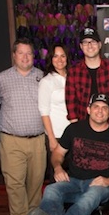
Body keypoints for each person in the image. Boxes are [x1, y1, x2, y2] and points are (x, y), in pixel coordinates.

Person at [0, 38, 46, 215]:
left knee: (36, 181)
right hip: (11, 139)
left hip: (38, 139)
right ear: (14, 55)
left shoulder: (42, 77)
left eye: (29, 53)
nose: (25, 57)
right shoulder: (1, 79)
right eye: (21, 53)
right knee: (15, 182)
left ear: (33, 57)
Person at [65, 28, 109, 133]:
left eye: (93, 42)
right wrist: (76, 131)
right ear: (81, 46)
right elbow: (71, 105)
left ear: (99, 45)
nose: (90, 46)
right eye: (85, 42)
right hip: (83, 129)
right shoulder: (73, 71)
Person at [38, 43, 71, 187]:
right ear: (51, 59)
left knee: (72, 175)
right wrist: (51, 139)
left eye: (62, 55)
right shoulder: (47, 81)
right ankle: (55, 208)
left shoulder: (73, 77)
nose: (59, 59)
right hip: (56, 135)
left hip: (73, 134)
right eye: (55, 56)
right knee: (57, 176)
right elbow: (43, 111)